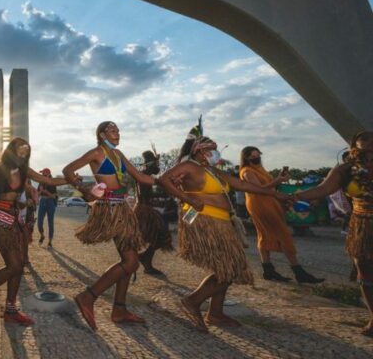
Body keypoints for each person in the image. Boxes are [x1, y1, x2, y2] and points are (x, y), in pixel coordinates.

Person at [157, 123, 290, 333]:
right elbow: (163, 179)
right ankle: (192, 301)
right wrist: (187, 199)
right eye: (212, 149)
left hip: (222, 222)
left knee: (225, 267)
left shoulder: (213, 170)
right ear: (199, 151)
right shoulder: (190, 166)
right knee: (230, 268)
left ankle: (215, 313)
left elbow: (243, 185)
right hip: (205, 221)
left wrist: (274, 192)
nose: (215, 153)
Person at [62, 121, 156, 331]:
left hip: (123, 206)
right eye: (113, 130)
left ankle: (119, 309)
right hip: (110, 208)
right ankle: (89, 296)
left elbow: (140, 177)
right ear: (102, 134)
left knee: (129, 260)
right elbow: (68, 169)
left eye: (118, 130)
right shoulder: (95, 153)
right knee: (131, 262)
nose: (118, 133)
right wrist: (81, 186)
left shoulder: (119, 155)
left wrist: (165, 181)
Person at [0, 138, 68, 327]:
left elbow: (48, 180)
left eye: (26, 152)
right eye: (20, 150)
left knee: (19, 264)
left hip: (16, 221)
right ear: (10, 150)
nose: (23, 154)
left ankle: (10, 310)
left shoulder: (25, 172)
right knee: (14, 265)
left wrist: (70, 179)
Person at [291, 131, 373, 337]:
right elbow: (322, 189)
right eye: (365, 143)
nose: (370, 147)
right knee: (365, 271)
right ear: (355, 146)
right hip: (363, 224)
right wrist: (293, 196)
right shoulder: (345, 170)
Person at [239, 146, 324, 283]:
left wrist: (278, 180)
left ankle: (268, 270)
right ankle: (298, 271)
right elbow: (257, 189)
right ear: (247, 158)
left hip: (268, 202)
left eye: (258, 155)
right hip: (260, 204)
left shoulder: (260, 169)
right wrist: (277, 181)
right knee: (282, 233)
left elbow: (270, 186)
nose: (256, 158)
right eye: (253, 156)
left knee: (265, 235)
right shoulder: (247, 171)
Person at [135, 150, 173, 276]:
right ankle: (145, 261)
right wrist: (163, 192)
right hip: (144, 210)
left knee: (160, 238)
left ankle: (145, 259)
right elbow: (145, 194)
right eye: (154, 164)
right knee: (159, 237)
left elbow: (156, 170)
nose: (157, 168)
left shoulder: (146, 173)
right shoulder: (143, 174)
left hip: (147, 209)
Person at [36, 168, 58, 248]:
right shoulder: (41, 182)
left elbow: (54, 196)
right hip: (42, 201)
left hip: (50, 202)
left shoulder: (52, 183)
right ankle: (42, 235)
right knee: (39, 222)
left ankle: (50, 242)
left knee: (50, 222)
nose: (42, 175)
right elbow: (38, 193)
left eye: (43, 174)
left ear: (48, 174)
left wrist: (46, 192)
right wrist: (40, 192)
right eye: (42, 174)